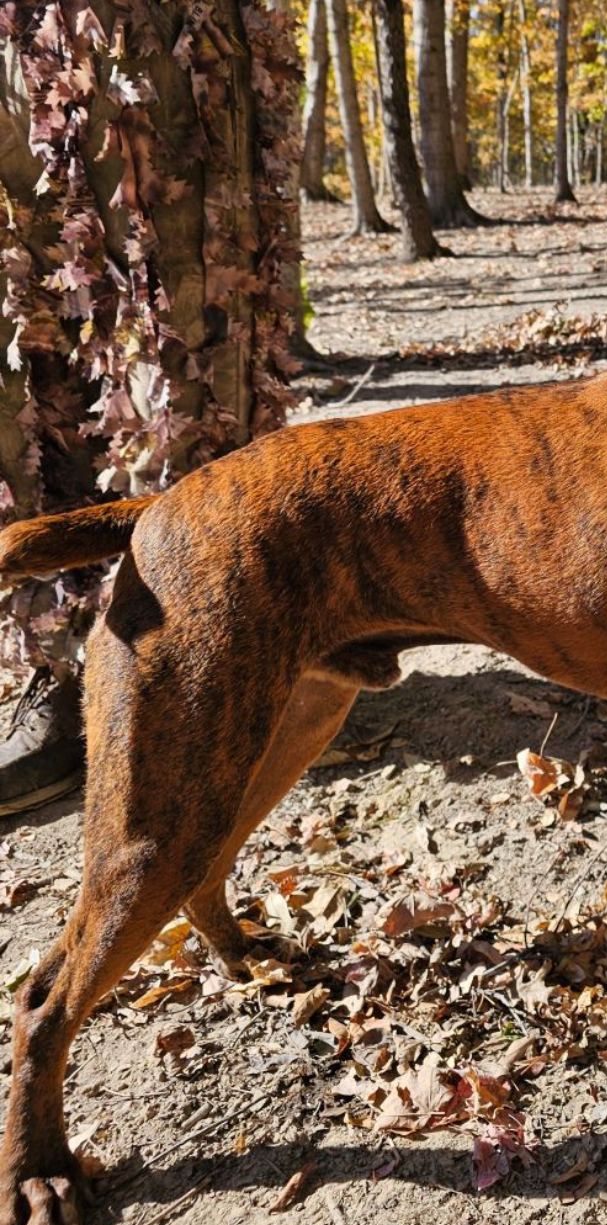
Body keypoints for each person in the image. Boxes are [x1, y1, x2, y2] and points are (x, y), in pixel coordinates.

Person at [0, 2, 300, 815]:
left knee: (175, 363)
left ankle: (217, 669)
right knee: (33, 359)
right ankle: (67, 670)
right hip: (19, 35)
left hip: (155, 33)